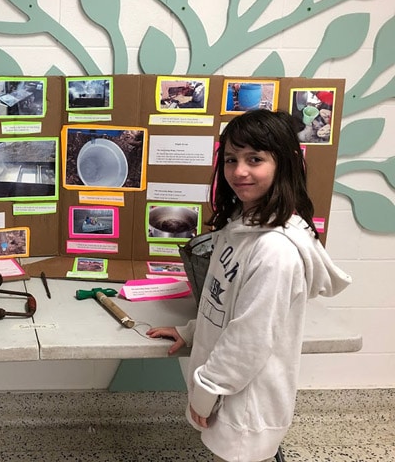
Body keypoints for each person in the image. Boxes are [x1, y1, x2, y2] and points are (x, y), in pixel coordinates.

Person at [147, 110, 351, 462]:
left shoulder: (275, 251)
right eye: (231, 159)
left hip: (246, 406)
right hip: (226, 391)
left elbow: (249, 339)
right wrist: (192, 331)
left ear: (283, 164)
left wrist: (205, 391)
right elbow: (227, 303)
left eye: (254, 159)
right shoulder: (240, 226)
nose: (239, 171)